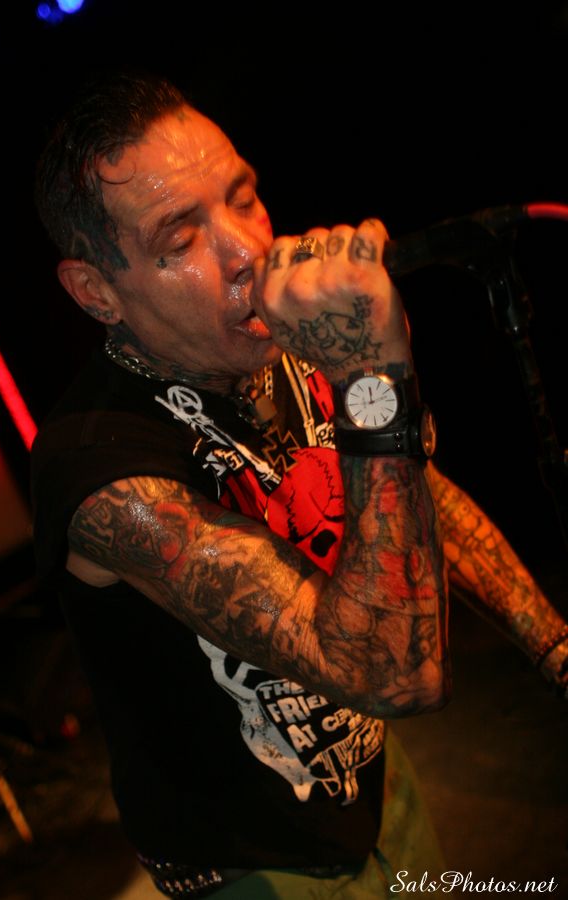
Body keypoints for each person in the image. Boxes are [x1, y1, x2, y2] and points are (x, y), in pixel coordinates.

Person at [31, 69, 568, 898]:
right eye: (182, 240)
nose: (248, 252)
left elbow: (414, 497)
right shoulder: (104, 471)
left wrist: (556, 647)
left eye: (243, 199)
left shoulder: (282, 343)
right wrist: (371, 377)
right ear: (97, 291)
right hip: (254, 865)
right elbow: (395, 675)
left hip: (375, 789)